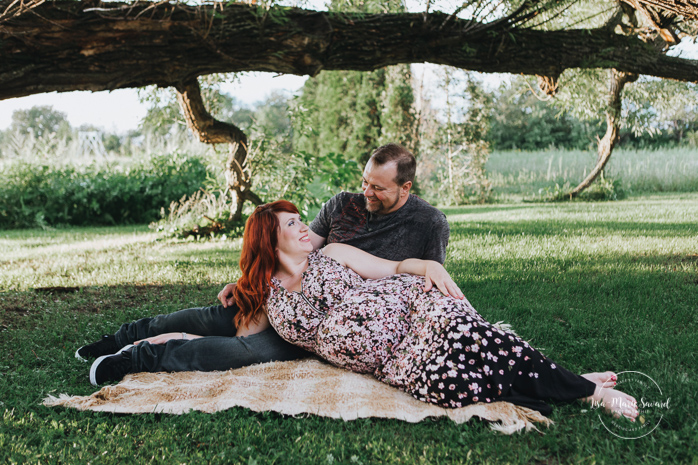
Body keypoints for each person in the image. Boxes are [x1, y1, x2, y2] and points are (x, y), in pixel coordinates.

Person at [223, 200, 637, 419]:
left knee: (475, 341)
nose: (303, 227)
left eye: (299, 219)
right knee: (452, 386)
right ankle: (564, 381)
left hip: (413, 308)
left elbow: (394, 267)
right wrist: (235, 294)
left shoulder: (332, 253)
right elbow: (243, 340)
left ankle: (592, 393)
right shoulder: (267, 295)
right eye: (292, 224)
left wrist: (430, 265)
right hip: (390, 359)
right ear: (269, 242)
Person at [80, 143, 451, 385]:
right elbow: (295, 245)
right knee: (216, 316)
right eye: (365, 182)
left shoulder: (429, 224)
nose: (366, 193)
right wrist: (248, 280)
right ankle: (122, 337)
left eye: (378, 188)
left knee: (248, 353)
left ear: (406, 188)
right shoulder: (343, 204)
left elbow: (420, 288)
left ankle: (142, 357)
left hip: (334, 323)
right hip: (290, 294)